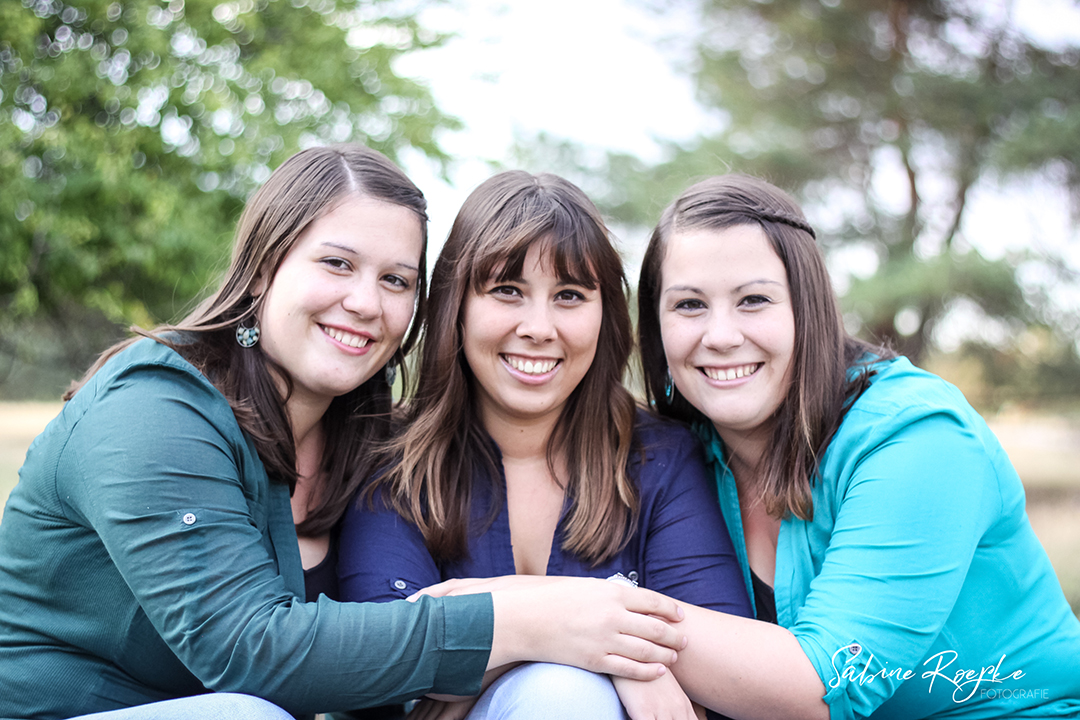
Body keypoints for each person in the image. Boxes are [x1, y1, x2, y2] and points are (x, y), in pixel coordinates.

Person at [0, 146, 691, 720]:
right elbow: (250, 649)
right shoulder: (153, 411)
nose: (365, 303)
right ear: (266, 265)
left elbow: (379, 649)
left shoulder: (363, 438)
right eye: (337, 264)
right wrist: (535, 619)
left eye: (396, 280)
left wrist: (570, 635)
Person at [630, 174, 1080, 718]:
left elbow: (828, 682)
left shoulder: (918, 439)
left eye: (754, 300)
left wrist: (605, 627)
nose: (721, 335)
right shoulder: (672, 453)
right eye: (689, 305)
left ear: (809, 311)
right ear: (657, 329)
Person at [338, 171, 751, 720]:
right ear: (456, 305)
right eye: (508, 291)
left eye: (569, 296)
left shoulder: (661, 456)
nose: (539, 326)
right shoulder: (392, 460)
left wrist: (485, 648)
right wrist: (585, 631)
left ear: (605, 316)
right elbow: (386, 670)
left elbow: (717, 672)